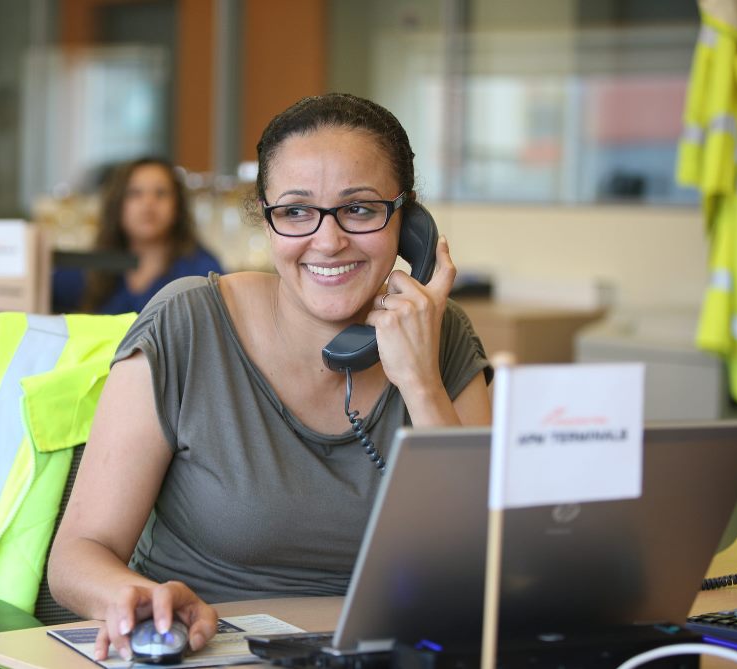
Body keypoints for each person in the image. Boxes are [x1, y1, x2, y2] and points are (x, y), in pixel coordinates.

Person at [47, 93, 493, 660]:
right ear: (266, 217)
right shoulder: (188, 324)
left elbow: (484, 564)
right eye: (297, 211)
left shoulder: (441, 334)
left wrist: (422, 383)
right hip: (212, 653)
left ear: (410, 225)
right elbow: (78, 555)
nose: (328, 241)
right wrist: (137, 597)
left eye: (360, 209)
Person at [52, 157, 223, 314]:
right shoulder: (95, 267)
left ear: (178, 207)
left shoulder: (202, 272)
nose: (148, 204)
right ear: (117, 205)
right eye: (135, 193)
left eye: (161, 193)